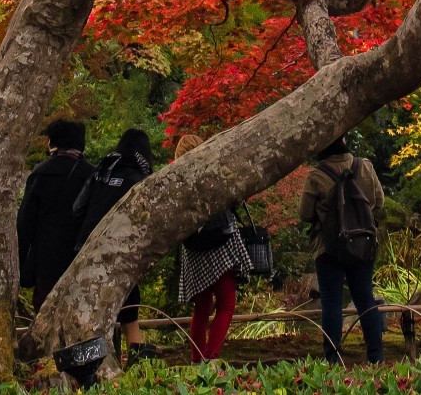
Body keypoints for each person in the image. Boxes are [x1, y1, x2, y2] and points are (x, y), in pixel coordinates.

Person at [297, 134, 386, 365]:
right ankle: (376, 357)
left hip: (328, 247)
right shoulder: (364, 166)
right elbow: (379, 201)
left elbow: (305, 214)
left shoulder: (317, 175)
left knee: (332, 302)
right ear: (343, 141)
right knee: (365, 298)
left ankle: (333, 359)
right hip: (362, 243)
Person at [77, 127, 157, 359]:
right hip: (121, 252)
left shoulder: (100, 172)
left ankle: (104, 357)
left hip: (87, 248)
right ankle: (136, 355)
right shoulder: (141, 179)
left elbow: (77, 209)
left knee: (99, 306)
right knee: (129, 301)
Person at [173, 134, 250, 361]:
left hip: (194, 249)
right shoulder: (215, 172)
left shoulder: (176, 181)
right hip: (221, 242)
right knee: (226, 303)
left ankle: (197, 361)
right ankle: (210, 356)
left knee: (202, 307)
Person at [17, 119, 94, 311]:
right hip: (82, 258)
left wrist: (19, 263)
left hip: (46, 258)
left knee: (45, 311)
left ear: (51, 142)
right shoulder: (93, 175)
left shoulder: (41, 174)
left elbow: (25, 222)